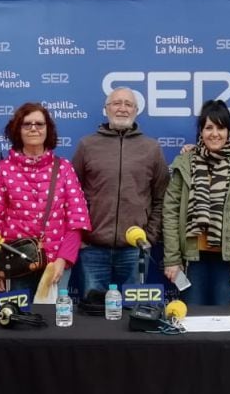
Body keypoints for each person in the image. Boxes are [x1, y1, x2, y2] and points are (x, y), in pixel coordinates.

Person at [0, 103, 91, 298]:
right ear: (17, 130)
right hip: (17, 263)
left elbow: (77, 220)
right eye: (27, 124)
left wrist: (64, 260)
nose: (33, 128)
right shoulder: (3, 169)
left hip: (55, 266)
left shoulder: (64, 168)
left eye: (39, 124)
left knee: (55, 322)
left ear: (48, 129)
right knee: (20, 323)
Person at [72, 87, 169, 293]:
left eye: (128, 104)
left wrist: (149, 237)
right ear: (106, 109)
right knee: (93, 315)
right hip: (92, 249)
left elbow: (162, 198)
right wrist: (80, 237)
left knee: (131, 316)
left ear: (136, 110)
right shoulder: (87, 145)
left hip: (134, 250)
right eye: (116, 103)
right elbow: (72, 195)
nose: (122, 108)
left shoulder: (151, 148)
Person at [163, 100, 230, 305]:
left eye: (221, 127)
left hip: (228, 261)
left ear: (229, 131)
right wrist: (172, 259)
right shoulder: (185, 162)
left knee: (225, 323)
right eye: (209, 127)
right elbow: (170, 212)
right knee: (192, 319)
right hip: (192, 258)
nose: (215, 134)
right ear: (201, 131)